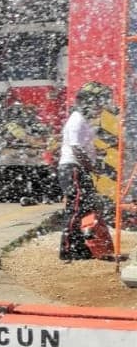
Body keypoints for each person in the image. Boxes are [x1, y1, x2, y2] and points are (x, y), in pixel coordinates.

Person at [57, 82, 109, 261]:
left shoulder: (83, 121)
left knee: (84, 208)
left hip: (78, 169)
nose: (99, 107)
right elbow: (77, 148)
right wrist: (91, 166)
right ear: (87, 102)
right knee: (76, 209)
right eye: (97, 103)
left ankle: (80, 246)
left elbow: (85, 147)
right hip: (73, 169)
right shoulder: (77, 119)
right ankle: (68, 249)